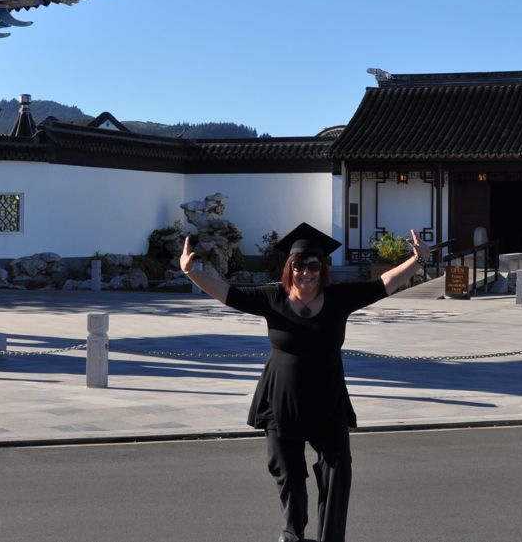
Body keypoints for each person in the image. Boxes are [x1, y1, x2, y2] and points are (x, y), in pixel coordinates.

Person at [180, 222, 430, 542]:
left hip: (329, 403)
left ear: (322, 269)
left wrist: (418, 260)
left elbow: (384, 283)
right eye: (298, 265)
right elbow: (229, 293)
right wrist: (191, 272)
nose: (305, 273)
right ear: (290, 268)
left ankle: (331, 538)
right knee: (290, 475)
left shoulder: (339, 299)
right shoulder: (274, 297)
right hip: (280, 404)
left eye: (313, 266)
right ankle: (293, 533)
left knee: (338, 468)